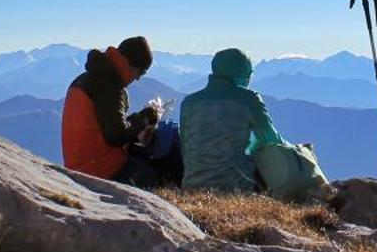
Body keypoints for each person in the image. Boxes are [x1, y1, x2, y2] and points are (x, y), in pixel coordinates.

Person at [61, 35, 181, 189]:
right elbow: (116, 135)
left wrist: (139, 119)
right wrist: (144, 118)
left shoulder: (91, 78)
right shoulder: (109, 85)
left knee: (141, 156)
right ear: (132, 64)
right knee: (152, 175)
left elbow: (110, 126)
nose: (137, 78)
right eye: (141, 72)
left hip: (80, 164)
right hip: (96, 169)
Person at [179, 48, 287, 192]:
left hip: (192, 185)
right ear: (242, 72)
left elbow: (185, 147)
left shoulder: (189, 102)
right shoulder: (249, 99)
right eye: (249, 74)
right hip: (236, 186)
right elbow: (271, 138)